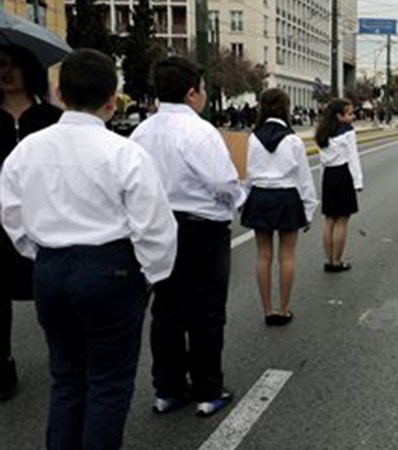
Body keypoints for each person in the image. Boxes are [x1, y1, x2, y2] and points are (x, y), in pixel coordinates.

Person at [0, 48, 177, 449]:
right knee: (108, 384)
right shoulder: (125, 152)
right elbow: (154, 226)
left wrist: (39, 253)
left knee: (65, 379)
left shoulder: (25, 151)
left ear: (59, 93)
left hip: (49, 267)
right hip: (109, 268)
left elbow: (11, 214)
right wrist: (149, 274)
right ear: (112, 100)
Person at [130, 57, 245, 417]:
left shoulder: (140, 133)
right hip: (201, 229)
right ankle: (208, 389)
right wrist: (236, 200)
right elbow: (224, 183)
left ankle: (167, 389)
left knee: (165, 310)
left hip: (157, 227)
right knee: (206, 311)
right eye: (204, 89)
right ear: (192, 92)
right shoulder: (199, 131)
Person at [0, 45, 62, 400]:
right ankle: (3, 363)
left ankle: (63, 356)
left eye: (11, 65)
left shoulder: (49, 118)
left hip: (44, 220)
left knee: (49, 293)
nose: (5, 72)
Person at [241, 88, 318, 327]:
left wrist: (242, 202)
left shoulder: (252, 139)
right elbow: (303, 178)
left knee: (263, 255)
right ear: (285, 108)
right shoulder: (293, 140)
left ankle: (267, 309)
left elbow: (247, 176)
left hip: (260, 196)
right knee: (287, 256)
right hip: (286, 197)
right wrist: (309, 209)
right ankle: (284, 309)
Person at [317, 98, 363, 273]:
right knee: (342, 220)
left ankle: (328, 260)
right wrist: (358, 181)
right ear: (339, 115)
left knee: (329, 219)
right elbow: (353, 157)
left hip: (328, 176)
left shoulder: (322, 132)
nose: (353, 116)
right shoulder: (348, 132)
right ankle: (337, 261)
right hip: (343, 174)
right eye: (349, 113)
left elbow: (322, 162)